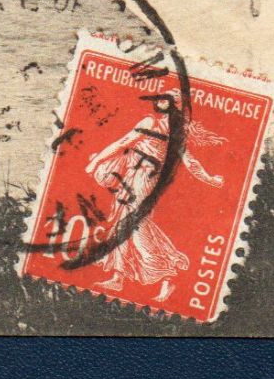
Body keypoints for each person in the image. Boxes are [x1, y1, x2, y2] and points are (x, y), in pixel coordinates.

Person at [84, 85, 224, 302]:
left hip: (146, 177)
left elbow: (190, 162)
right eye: (160, 97)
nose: (159, 100)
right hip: (131, 173)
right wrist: (97, 161)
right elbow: (123, 143)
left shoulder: (176, 134)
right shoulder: (149, 122)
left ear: (173, 105)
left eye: (165, 98)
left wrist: (210, 178)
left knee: (137, 225)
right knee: (124, 221)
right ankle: (119, 276)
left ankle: (166, 274)